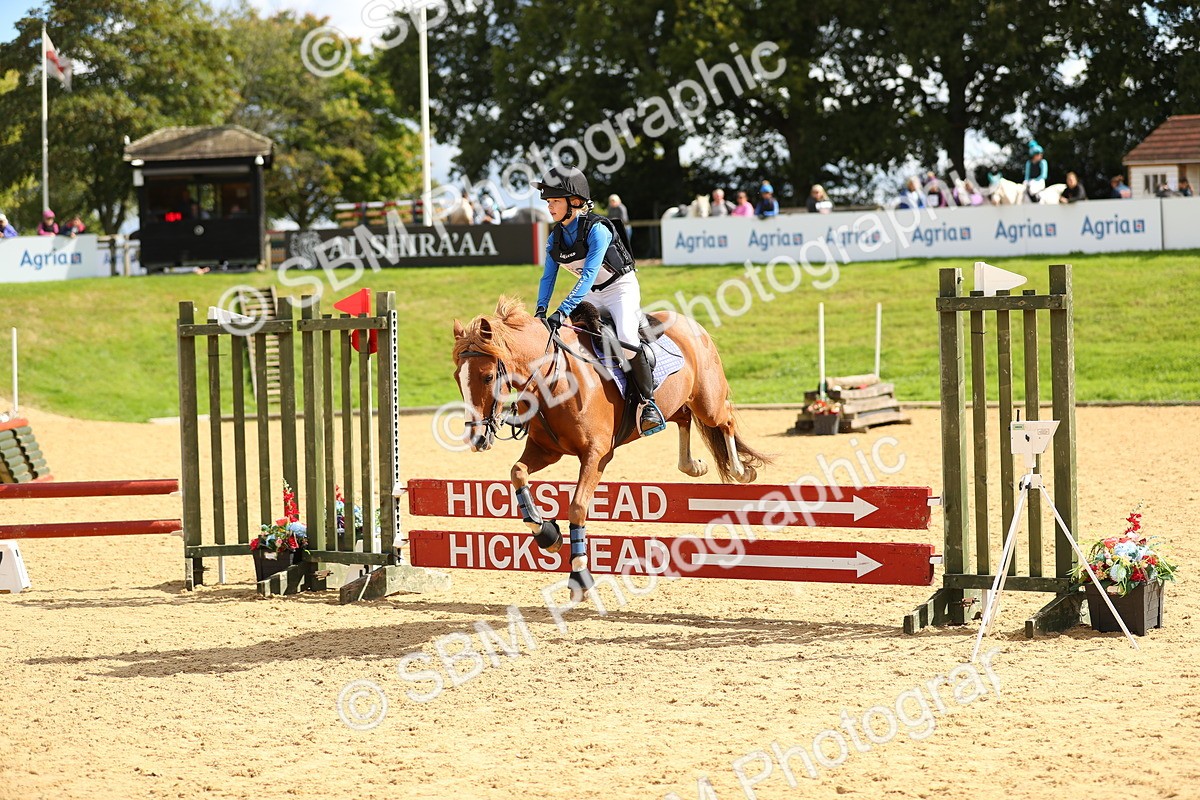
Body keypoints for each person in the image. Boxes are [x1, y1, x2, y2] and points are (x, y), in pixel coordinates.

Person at [533, 166, 663, 436]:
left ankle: (647, 403)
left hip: (620, 288)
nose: (550, 207)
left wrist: (563, 309)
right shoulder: (555, 238)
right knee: (571, 339)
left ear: (575, 202)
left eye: (555, 201)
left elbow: (589, 274)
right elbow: (548, 278)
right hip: (591, 292)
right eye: (548, 202)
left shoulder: (598, 230)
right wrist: (541, 310)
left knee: (626, 336)